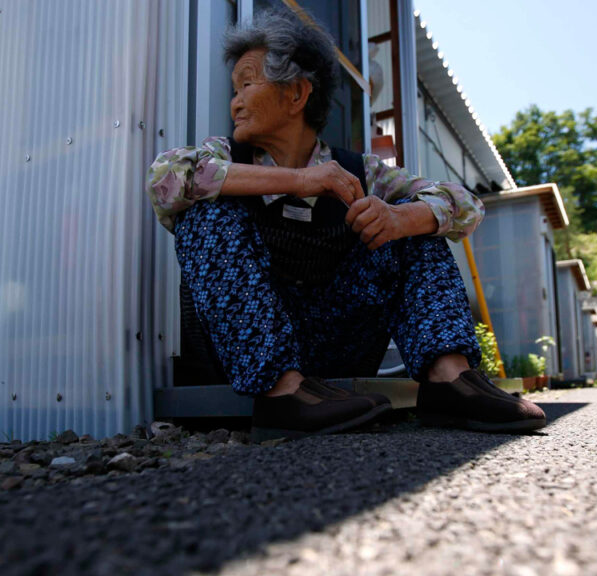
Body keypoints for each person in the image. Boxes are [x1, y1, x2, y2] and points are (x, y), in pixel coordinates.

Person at [147, 8, 546, 440]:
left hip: (338, 346)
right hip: (246, 358)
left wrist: (399, 218)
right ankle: (283, 395)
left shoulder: (360, 170)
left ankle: (450, 381)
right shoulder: (223, 156)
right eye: (234, 89)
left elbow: (465, 204)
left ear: (296, 94)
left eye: (247, 84)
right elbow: (165, 179)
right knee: (207, 210)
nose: (235, 102)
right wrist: (300, 180)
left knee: (412, 218)